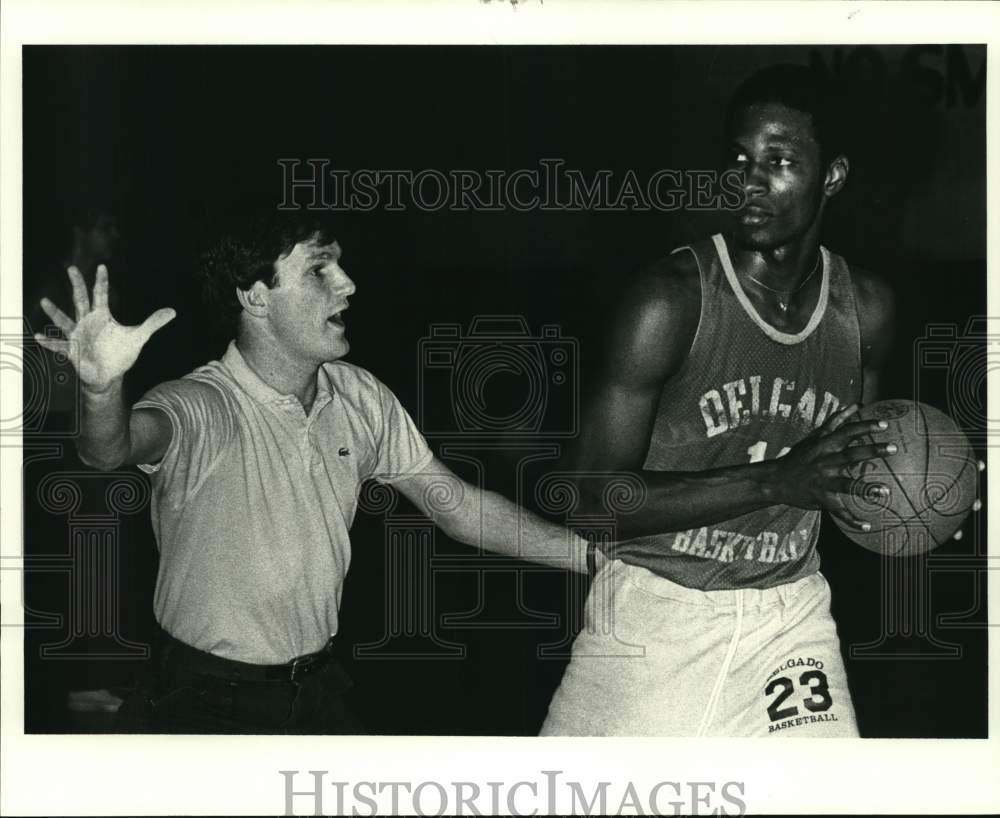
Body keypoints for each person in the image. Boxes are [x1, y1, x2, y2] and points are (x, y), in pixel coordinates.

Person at [35, 212, 597, 734]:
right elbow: (109, 450)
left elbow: (457, 505)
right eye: (319, 269)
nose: (347, 284)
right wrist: (100, 388)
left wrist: (593, 557)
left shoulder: (361, 395)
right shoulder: (202, 404)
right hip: (204, 705)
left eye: (341, 266)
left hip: (317, 695)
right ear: (256, 297)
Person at [540, 64, 898, 737]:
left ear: (833, 176)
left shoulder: (867, 311)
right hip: (657, 615)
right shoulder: (668, 300)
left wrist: (918, 498)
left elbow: (857, 484)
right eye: (739, 159)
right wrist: (774, 481)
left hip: (787, 620)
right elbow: (584, 500)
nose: (750, 181)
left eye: (780, 160)